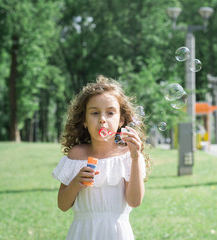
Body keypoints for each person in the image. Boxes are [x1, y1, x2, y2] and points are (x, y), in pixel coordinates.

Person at [52, 75, 151, 240]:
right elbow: (62, 205)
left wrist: (135, 158)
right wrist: (75, 182)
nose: (102, 120)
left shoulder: (128, 156)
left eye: (110, 113)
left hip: (117, 233)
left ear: (121, 120)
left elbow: (134, 201)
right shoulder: (76, 155)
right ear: (84, 120)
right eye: (95, 113)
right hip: (82, 232)